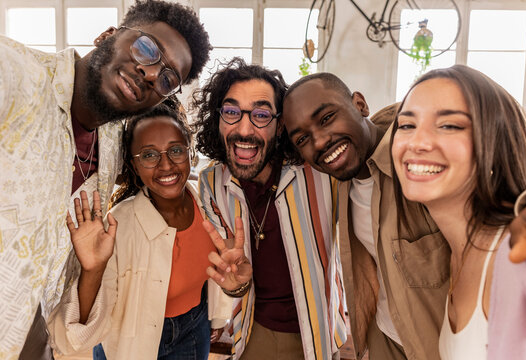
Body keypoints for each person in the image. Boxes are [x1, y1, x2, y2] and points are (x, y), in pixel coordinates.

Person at [0, 0, 211, 356]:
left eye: (167, 78)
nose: (149, 73)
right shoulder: (20, 75)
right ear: (107, 36)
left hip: (31, 337)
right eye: (147, 49)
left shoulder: (112, 143)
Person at [281, 72, 526, 360]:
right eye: (303, 138)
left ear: (359, 104)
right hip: (385, 341)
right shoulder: (343, 178)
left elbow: (516, 171)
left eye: (327, 118)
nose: (319, 142)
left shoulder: (418, 165)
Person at [48, 102, 235, 359]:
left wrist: (218, 317)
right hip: (130, 343)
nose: (166, 165)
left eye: (176, 150)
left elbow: (218, 273)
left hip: (194, 327)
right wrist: (92, 270)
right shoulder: (118, 225)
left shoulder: (209, 204)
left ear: (190, 154)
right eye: (149, 155)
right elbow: (74, 340)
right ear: (133, 165)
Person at [193, 57, 347, 360]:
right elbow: (234, 280)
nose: (244, 129)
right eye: (232, 112)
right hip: (253, 331)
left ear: (280, 127)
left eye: (261, 114)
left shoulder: (319, 173)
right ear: (219, 119)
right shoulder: (212, 181)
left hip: (319, 335)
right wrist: (236, 286)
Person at [390, 65, 526, 359]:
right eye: (407, 125)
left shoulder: (523, 254)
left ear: (495, 144)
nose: (418, 142)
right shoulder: (456, 255)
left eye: (450, 126)